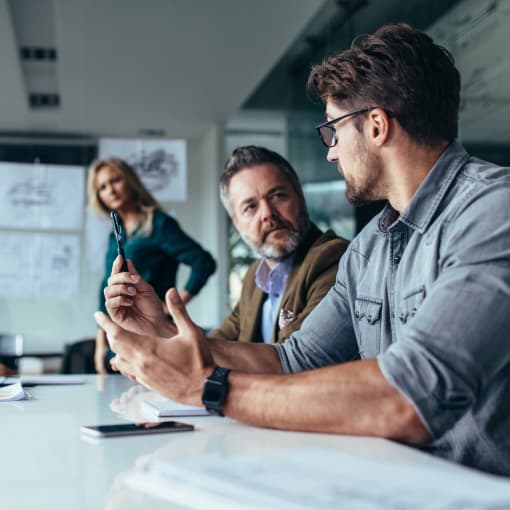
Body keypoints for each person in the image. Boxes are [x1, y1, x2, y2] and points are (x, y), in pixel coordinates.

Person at [96, 23, 510, 476]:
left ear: (376, 126)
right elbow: (294, 360)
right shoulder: (369, 247)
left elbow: (409, 397)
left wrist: (211, 389)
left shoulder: (493, 211)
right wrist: (165, 331)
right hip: (400, 483)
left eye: (333, 132)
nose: (331, 153)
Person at [87, 157, 216, 373]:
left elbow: (203, 262)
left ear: (130, 181)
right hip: (117, 339)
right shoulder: (115, 235)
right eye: (102, 187)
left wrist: (173, 306)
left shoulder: (159, 224)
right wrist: (101, 342)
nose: (110, 190)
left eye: (115, 180)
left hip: (151, 334)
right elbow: (106, 287)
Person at [210, 145, 348, 344]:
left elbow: (298, 358)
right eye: (250, 207)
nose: (267, 213)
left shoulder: (333, 259)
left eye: (277, 196)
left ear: (299, 195)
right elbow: (218, 344)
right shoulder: (254, 277)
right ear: (237, 222)